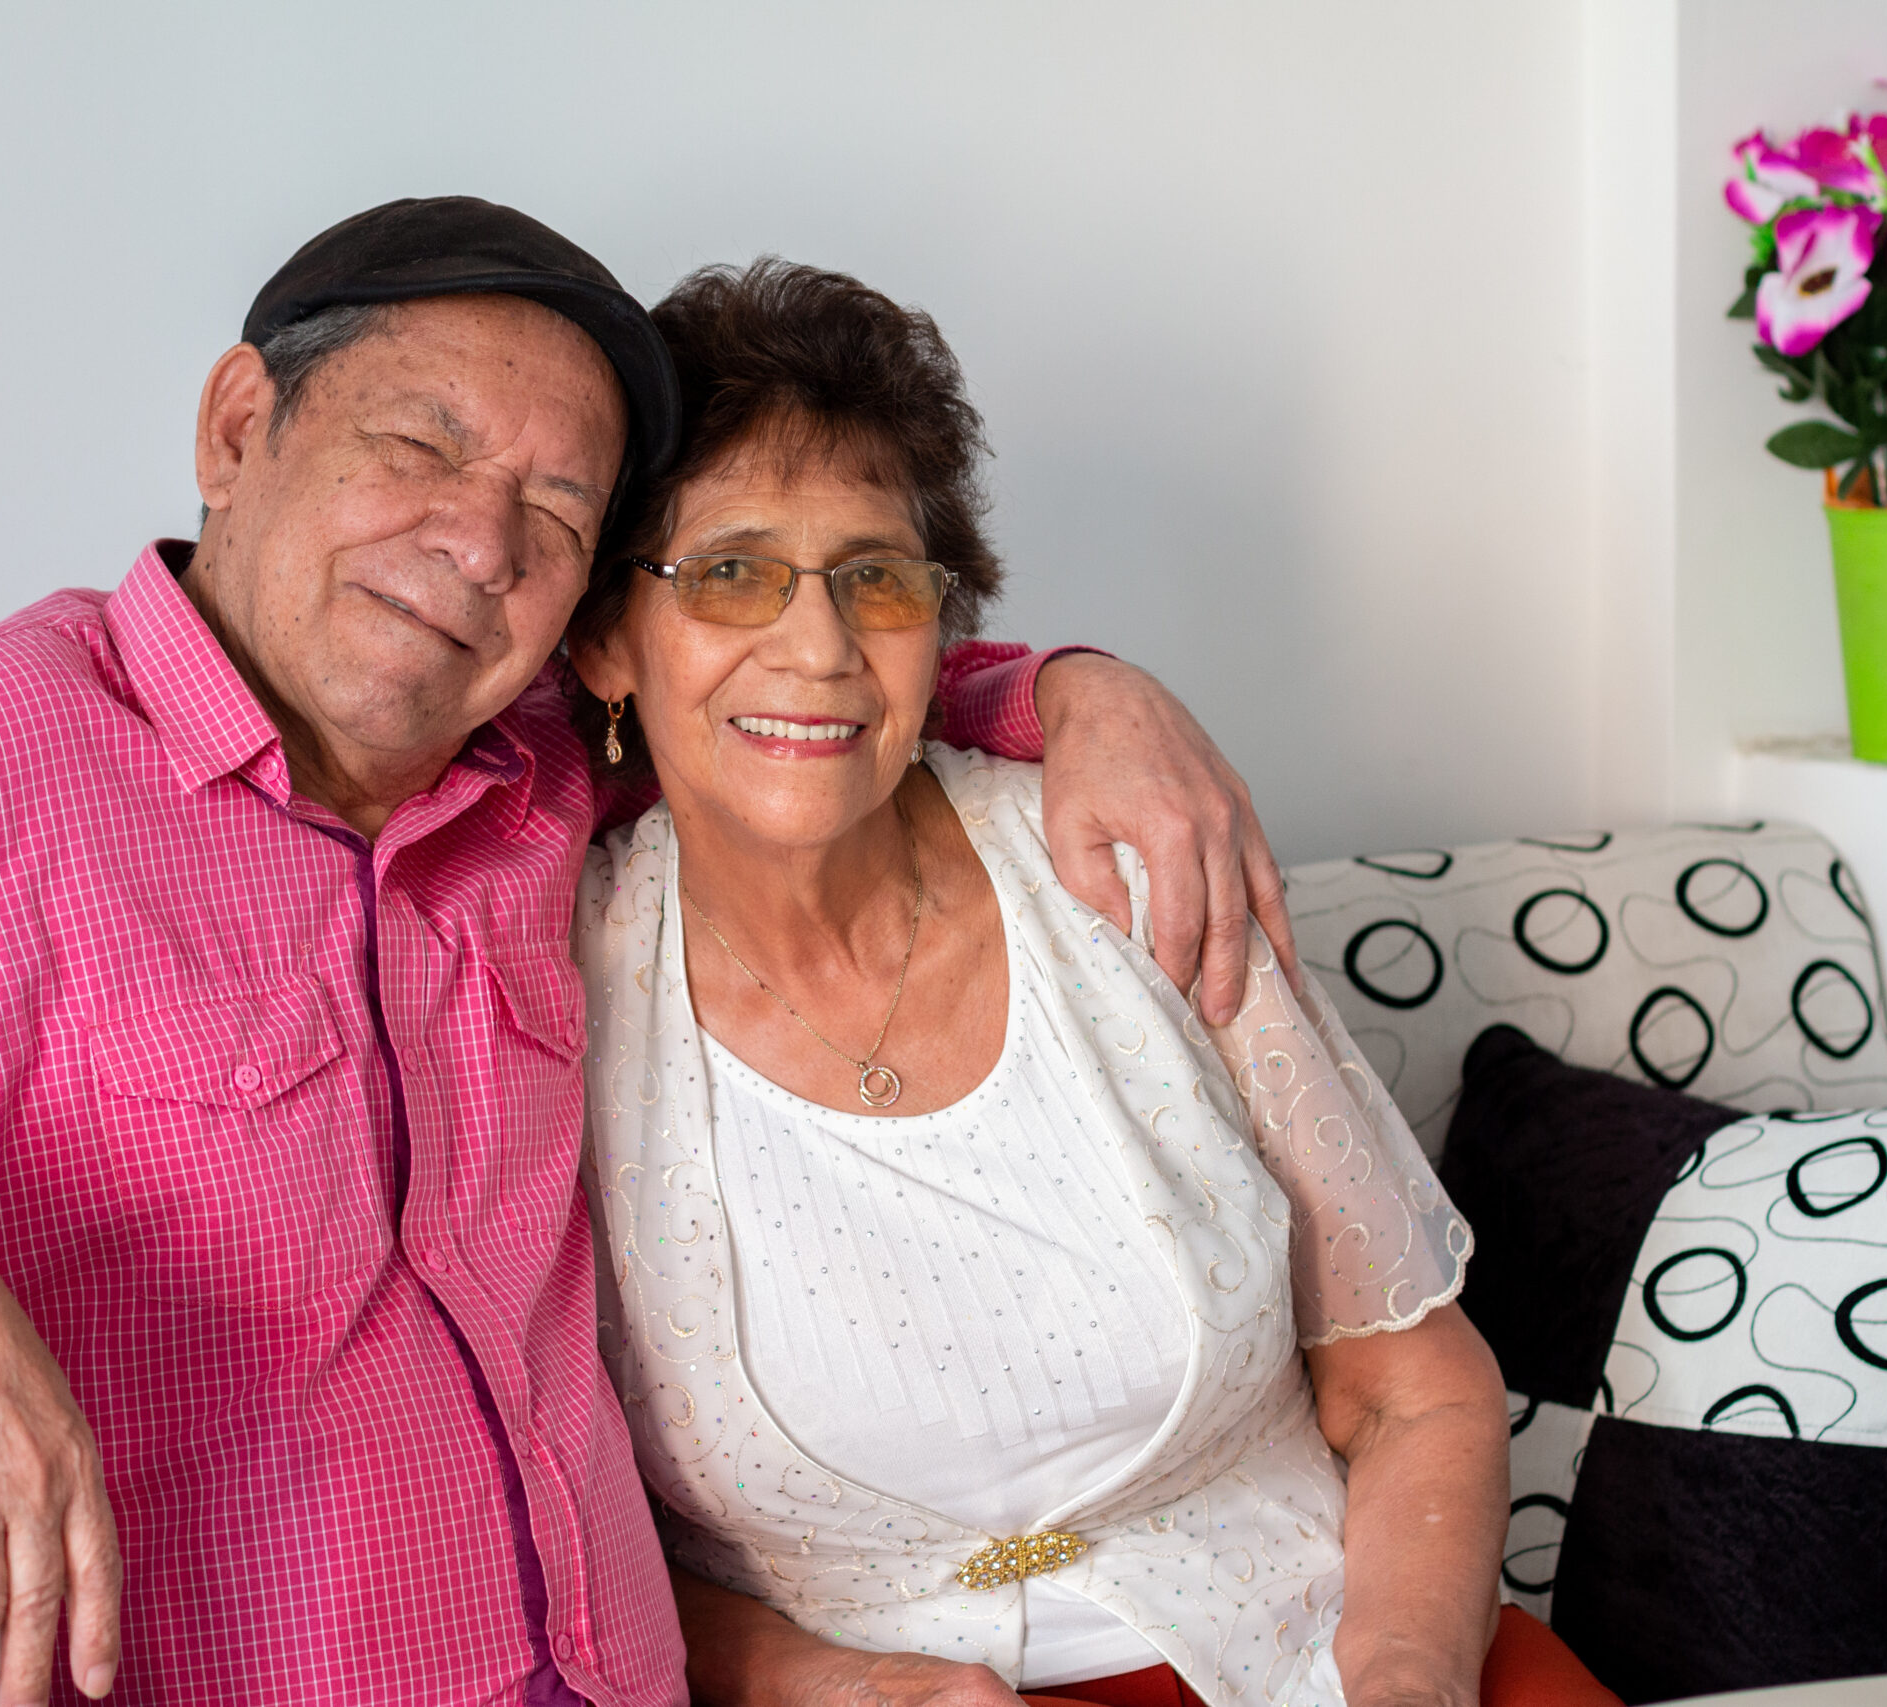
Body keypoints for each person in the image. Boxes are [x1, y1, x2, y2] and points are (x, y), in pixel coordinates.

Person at [0, 200, 1296, 1707]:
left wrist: (1072, 685)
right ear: (243, 428)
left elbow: (782, 688)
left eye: (557, 520)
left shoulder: (547, 776)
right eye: (421, 447)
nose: (477, 543)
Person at [568, 260, 1619, 1707]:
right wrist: (831, 1682)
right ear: (608, 640)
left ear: (943, 631)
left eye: (876, 578)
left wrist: (1402, 1679)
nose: (816, 649)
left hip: (1337, 1645)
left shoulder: (1118, 862)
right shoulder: (535, 984)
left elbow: (1411, 1389)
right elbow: (547, 1524)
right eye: (731, 572)